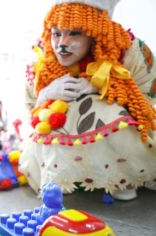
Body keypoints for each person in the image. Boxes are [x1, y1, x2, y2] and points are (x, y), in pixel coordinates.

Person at [20, 0, 156, 201]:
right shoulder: (41, 62)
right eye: (56, 33)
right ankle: (64, 178)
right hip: (56, 160)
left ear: (94, 34)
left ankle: (123, 177)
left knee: (103, 108)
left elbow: (147, 92)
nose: (62, 43)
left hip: (120, 150)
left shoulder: (125, 49)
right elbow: (32, 107)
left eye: (74, 32)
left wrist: (101, 86)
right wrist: (47, 93)